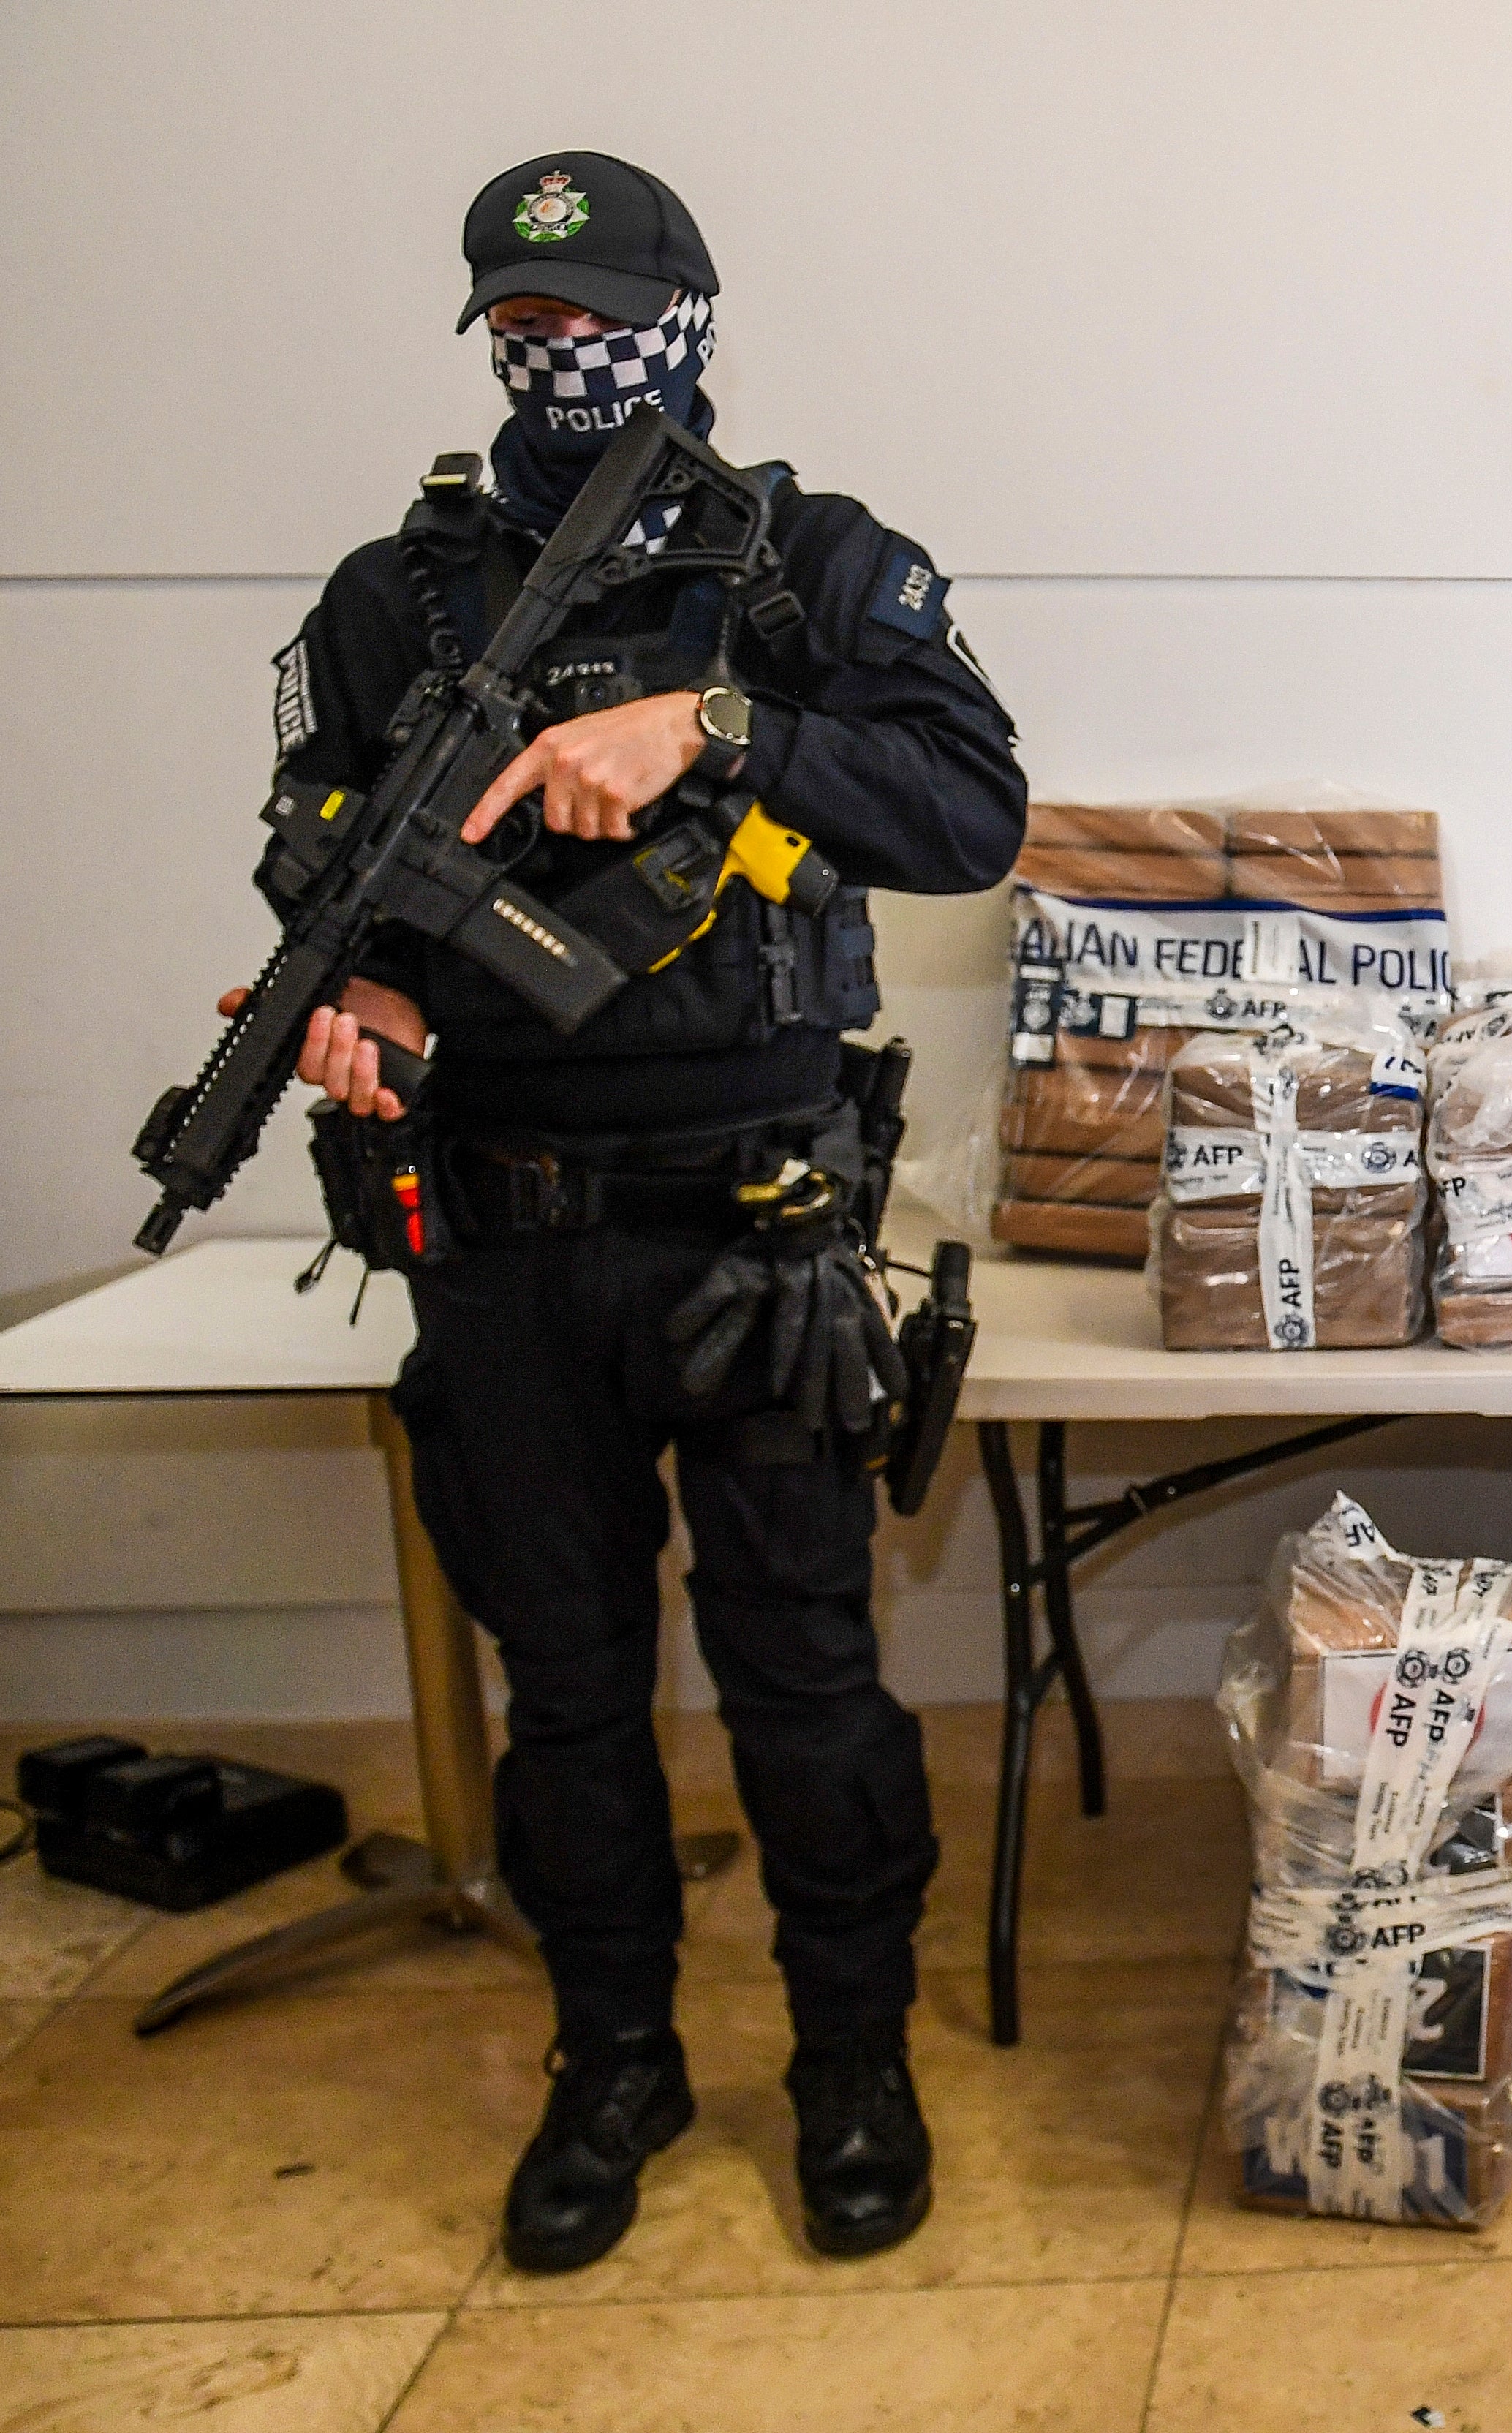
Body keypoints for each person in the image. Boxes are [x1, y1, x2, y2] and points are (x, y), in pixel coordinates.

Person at [250, 152, 1027, 2271]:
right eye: (521, 322)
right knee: (568, 1699)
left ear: (686, 318)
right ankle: (613, 2061)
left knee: (805, 1685)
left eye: (597, 316)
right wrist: (358, 999)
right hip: (502, 1233)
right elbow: (325, 858)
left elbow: (970, 810)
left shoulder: (814, 570)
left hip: (752, 1230)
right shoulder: (394, 596)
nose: (560, 351)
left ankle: (849, 2059)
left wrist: (722, 725)